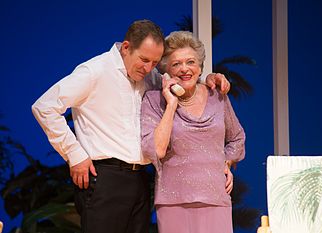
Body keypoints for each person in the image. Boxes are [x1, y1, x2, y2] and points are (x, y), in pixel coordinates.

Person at [32, 20, 232, 233]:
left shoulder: (151, 76)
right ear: (126, 47)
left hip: (140, 180)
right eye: (144, 60)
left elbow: (183, 79)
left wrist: (210, 79)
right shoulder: (95, 71)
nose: (148, 68)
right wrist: (74, 154)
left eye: (155, 63)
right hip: (104, 179)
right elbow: (45, 107)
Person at [141, 31, 246, 233]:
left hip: (216, 197)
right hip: (173, 202)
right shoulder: (154, 101)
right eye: (176, 64)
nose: (184, 69)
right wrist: (171, 104)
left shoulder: (218, 97)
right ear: (166, 71)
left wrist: (227, 162)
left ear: (199, 67)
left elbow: (237, 137)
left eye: (190, 62)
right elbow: (154, 150)